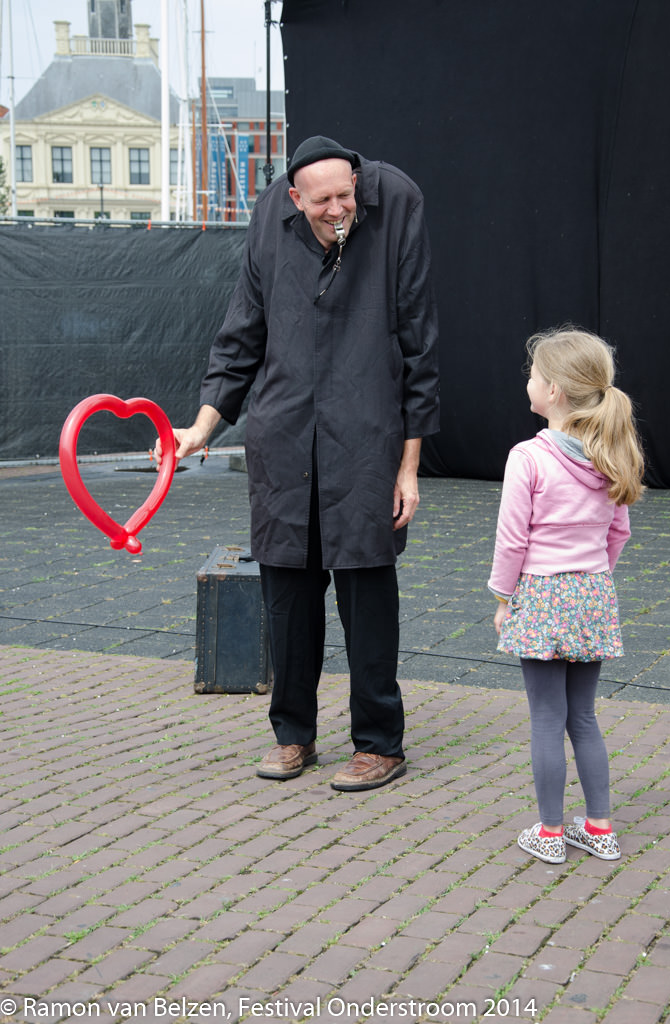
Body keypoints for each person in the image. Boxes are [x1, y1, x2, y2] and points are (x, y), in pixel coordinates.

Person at [156, 136, 439, 791]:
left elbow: (419, 350)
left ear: (357, 184)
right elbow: (240, 337)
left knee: (368, 599)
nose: (338, 209)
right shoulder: (269, 227)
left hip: (365, 444)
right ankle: (293, 736)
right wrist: (200, 428)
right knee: (287, 599)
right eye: (322, 201)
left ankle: (379, 744)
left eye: (346, 195)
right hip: (284, 444)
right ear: (294, 199)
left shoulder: (395, 209)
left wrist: (408, 468)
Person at [488, 327, 644, 864]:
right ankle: (599, 827)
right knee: (584, 716)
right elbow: (618, 533)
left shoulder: (528, 457)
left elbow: (512, 539)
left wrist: (503, 598)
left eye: (533, 374)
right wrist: (593, 578)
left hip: (541, 597)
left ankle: (551, 833)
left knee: (546, 719)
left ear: (552, 390)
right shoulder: (610, 453)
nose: (527, 381)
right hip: (593, 594)